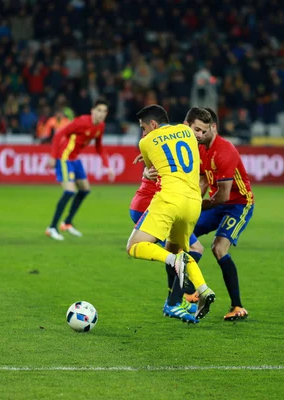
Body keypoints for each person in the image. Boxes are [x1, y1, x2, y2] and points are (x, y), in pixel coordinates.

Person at [126, 105, 215, 321]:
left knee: (134, 247)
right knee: (184, 251)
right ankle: (203, 290)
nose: (143, 132)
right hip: (193, 203)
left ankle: (173, 268)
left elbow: (153, 168)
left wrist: (146, 165)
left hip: (168, 200)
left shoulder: (146, 142)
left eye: (144, 127)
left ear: (153, 125)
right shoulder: (187, 132)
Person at [189, 107, 254, 321]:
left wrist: (197, 207)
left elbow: (225, 196)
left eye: (203, 130)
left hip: (239, 203)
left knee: (218, 248)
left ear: (214, 127)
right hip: (216, 202)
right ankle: (191, 291)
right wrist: (194, 202)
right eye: (196, 130)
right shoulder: (200, 149)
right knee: (185, 234)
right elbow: (203, 180)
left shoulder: (225, 150)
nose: (199, 134)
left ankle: (237, 306)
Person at [45, 99, 115, 240]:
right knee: (69, 191)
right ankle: (52, 227)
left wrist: (108, 166)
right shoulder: (81, 122)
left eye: (104, 111)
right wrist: (53, 156)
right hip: (64, 157)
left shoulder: (100, 126)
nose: (101, 114)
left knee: (84, 190)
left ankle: (67, 223)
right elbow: (59, 134)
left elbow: (99, 147)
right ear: (93, 111)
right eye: (99, 110)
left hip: (75, 159)